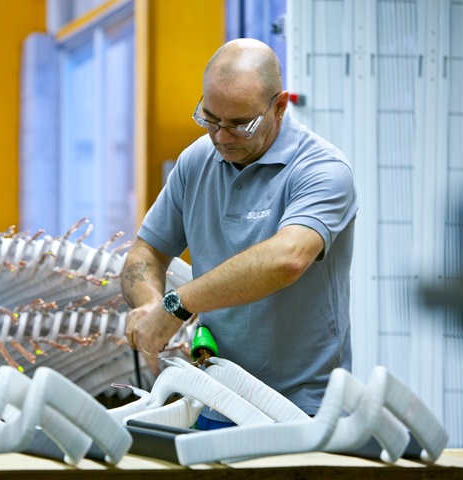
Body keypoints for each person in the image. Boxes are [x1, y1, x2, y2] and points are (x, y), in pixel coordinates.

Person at [121, 38, 358, 429]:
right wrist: (150, 308)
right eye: (210, 118)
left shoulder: (323, 170)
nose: (222, 137)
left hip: (303, 411)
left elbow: (288, 258)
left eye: (239, 124)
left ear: (279, 106)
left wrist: (176, 306)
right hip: (214, 404)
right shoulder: (196, 162)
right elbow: (147, 250)